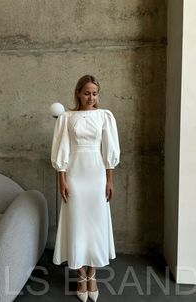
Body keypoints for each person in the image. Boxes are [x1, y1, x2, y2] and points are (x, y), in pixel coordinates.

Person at [51, 75, 120, 302]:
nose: (91, 97)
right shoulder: (66, 118)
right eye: (87, 93)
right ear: (78, 93)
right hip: (74, 174)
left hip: (97, 174)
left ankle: (93, 275)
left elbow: (109, 150)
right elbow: (62, 148)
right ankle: (80, 275)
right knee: (77, 222)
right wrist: (62, 179)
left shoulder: (104, 116)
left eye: (95, 93)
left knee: (96, 223)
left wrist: (109, 180)